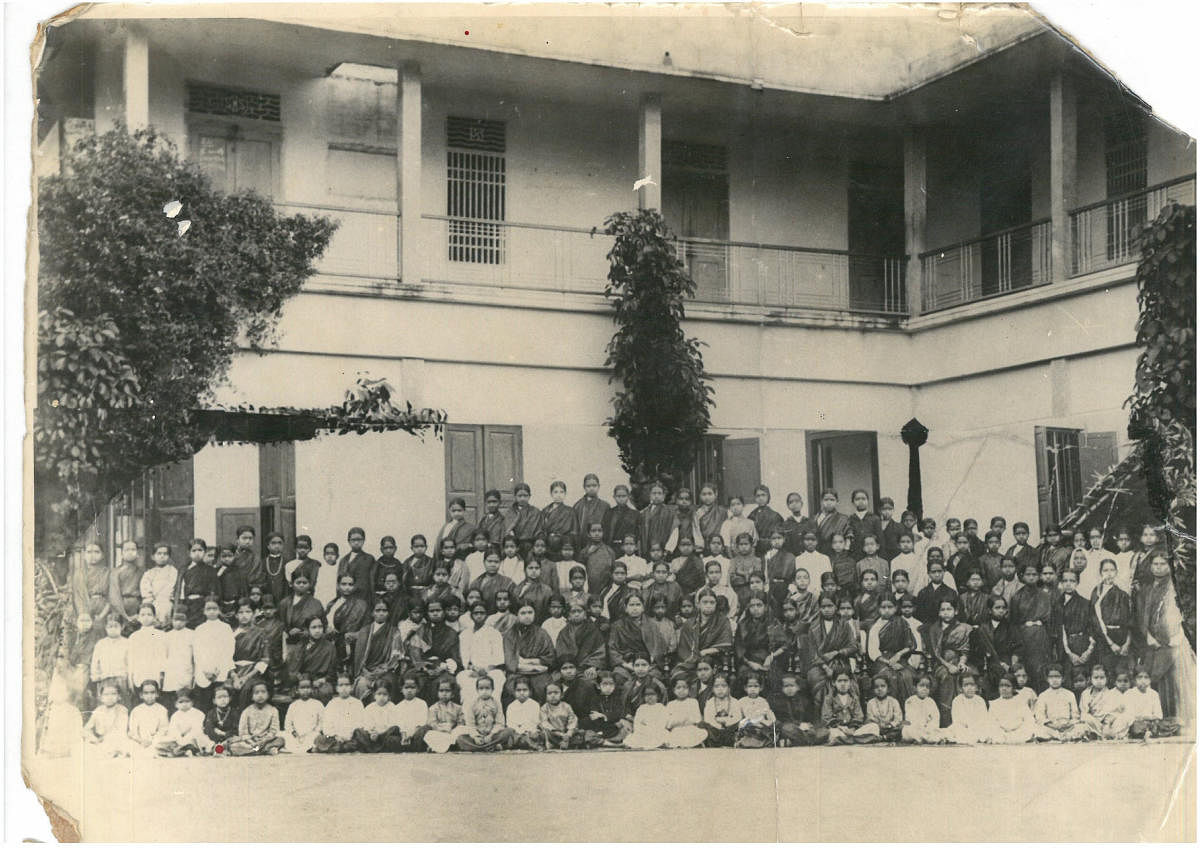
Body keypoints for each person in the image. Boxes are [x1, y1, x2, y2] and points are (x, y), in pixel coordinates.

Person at [1136, 552, 1195, 724]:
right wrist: (1147, 636)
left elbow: (1188, 613)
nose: (1159, 567)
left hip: (1174, 641)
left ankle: (1180, 719)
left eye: (1163, 564)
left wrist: (1179, 635)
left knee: (1176, 679)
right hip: (1153, 642)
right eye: (1155, 564)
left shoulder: (1176, 586)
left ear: (1170, 566)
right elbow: (1141, 614)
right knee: (1157, 678)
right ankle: (1161, 719)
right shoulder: (1147, 588)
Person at [1008, 563, 1058, 691]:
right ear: (1022, 576)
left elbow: (1051, 621)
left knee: (1041, 668)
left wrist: (1051, 642)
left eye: (1034, 575)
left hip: (1041, 636)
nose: (1031, 577)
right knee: (1027, 667)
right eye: (1028, 575)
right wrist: (1018, 643)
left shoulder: (1045, 596)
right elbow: (1013, 622)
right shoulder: (1017, 597)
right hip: (1024, 637)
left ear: (1039, 576)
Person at [673, 589, 734, 684]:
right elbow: (684, 649)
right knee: (677, 675)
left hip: (714, 661)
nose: (708, 605)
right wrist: (697, 658)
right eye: (705, 602)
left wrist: (706, 652)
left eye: (712, 602)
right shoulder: (689, 624)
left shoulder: (723, 621)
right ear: (698, 604)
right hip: (692, 661)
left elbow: (726, 645)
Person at [608, 594, 669, 685]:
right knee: (619, 676)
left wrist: (648, 662)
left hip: (647, 664)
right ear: (626, 608)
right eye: (631, 605)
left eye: (638, 605)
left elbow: (659, 646)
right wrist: (624, 664)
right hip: (626, 664)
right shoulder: (617, 626)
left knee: (654, 677)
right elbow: (612, 648)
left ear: (643, 607)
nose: (635, 608)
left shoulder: (652, 625)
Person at [457, 601, 507, 711]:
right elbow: (464, 658)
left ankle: (493, 716)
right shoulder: (464, 634)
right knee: (465, 681)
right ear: (471, 615)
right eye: (476, 613)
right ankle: (469, 718)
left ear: (486, 615)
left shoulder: (494, 633)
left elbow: (499, 658)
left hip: (491, 670)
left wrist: (486, 670)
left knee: (497, 679)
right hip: (472, 671)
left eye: (482, 613)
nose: (479, 616)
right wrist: (472, 669)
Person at [504, 602, 556, 700]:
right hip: (518, 674)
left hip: (540, 675)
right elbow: (511, 663)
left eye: (530, 612)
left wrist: (527, 661)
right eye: (523, 613)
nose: (527, 616)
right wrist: (534, 668)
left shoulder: (542, 633)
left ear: (534, 614)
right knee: (513, 690)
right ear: (517, 615)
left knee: (544, 688)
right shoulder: (510, 635)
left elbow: (550, 658)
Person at [350, 600, 399, 701]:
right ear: (372, 613)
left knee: (388, 683)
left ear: (388, 613)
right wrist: (364, 671)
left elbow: (395, 656)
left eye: (384, 610)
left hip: (386, 671)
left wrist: (382, 670)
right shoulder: (364, 631)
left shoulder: (394, 631)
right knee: (362, 684)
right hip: (366, 672)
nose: (381, 613)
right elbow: (359, 657)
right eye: (378, 610)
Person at [284, 617, 336, 702]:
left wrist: (323, 680)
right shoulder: (301, 646)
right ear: (307, 629)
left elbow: (332, 671)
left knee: (325, 691)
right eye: (314, 627)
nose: (317, 630)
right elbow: (293, 669)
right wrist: (303, 679)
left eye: (320, 627)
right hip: (304, 680)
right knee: (302, 689)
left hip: (321, 681)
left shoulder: (330, 647)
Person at [352, 679, 410, 753]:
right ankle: (375, 748)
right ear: (374, 695)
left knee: (395, 730)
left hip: (385, 735)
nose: (381, 697)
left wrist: (381, 734)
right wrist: (372, 733)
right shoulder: (370, 708)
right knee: (358, 731)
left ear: (389, 696)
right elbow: (367, 724)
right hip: (372, 736)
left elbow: (397, 724)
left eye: (385, 694)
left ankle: (374, 749)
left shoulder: (392, 707)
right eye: (379, 694)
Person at [313, 674, 366, 753]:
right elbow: (327, 723)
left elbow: (360, 722)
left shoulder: (357, 703)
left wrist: (348, 736)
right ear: (337, 688)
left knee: (361, 736)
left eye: (346, 685)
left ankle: (341, 747)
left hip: (351, 737)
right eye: (341, 685)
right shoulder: (332, 703)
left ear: (351, 687)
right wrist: (336, 736)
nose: (344, 688)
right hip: (336, 738)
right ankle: (340, 747)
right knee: (319, 739)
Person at [1058, 569, 1095, 682]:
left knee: (1083, 679)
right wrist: (1069, 653)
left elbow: (1092, 628)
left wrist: (1088, 651)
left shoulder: (1086, 603)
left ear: (1077, 583)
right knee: (1068, 680)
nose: (1068, 584)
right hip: (1065, 648)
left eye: (1072, 581)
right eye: (1065, 581)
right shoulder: (1056, 604)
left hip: (1083, 646)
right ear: (1061, 583)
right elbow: (1060, 629)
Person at [1033, 665, 1088, 741]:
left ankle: (1064, 737)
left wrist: (1068, 724)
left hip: (1067, 727)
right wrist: (1054, 726)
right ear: (1047, 679)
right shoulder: (1043, 696)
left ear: (1063, 678)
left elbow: (1075, 715)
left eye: (1057, 677)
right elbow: (1040, 717)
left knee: (1081, 727)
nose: (1054, 680)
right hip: (1051, 728)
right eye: (1051, 677)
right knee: (1038, 729)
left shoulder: (1069, 694)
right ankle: (1058, 737)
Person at [172, 538, 217, 629]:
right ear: (189, 552)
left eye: (200, 550)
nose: (197, 553)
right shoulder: (183, 569)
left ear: (204, 552)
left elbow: (214, 590)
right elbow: (179, 589)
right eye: (194, 550)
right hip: (187, 605)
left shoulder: (210, 570)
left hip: (202, 606)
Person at [768, 672, 823, 746]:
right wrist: (797, 725)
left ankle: (795, 742)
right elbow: (777, 721)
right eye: (786, 686)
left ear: (798, 687)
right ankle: (807, 741)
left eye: (792, 686)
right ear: (781, 688)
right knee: (788, 729)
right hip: (787, 728)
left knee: (823, 732)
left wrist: (807, 725)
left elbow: (809, 718)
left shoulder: (804, 701)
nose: (789, 689)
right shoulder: (777, 702)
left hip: (803, 729)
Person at [1124, 668, 1180, 739]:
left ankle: (1150, 732)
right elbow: (1130, 716)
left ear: (1150, 680)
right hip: (1138, 724)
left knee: (1176, 722)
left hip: (1153, 722)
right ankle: (1152, 733)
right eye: (1140, 677)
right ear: (1135, 680)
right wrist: (1144, 719)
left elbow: (1159, 715)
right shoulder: (1129, 693)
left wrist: (1149, 719)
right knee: (1136, 727)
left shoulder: (1154, 694)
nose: (1143, 680)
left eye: (1146, 677)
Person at [822, 670, 873, 744]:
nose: (843, 684)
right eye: (839, 681)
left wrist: (852, 729)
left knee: (873, 727)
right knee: (833, 733)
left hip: (852, 730)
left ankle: (845, 739)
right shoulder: (829, 698)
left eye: (845, 681)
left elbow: (859, 716)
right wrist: (841, 728)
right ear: (834, 683)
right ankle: (855, 739)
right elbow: (826, 717)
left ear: (850, 683)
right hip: (837, 728)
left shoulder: (854, 698)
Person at [90, 614, 130, 705]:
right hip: (104, 678)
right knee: (105, 704)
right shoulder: (101, 644)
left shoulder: (127, 643)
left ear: (122, 627)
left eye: (116, 626)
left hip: (121, 679)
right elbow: (95, 662)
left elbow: (130, 662)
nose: (113, 629)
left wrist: (128, 679)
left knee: (122, 704)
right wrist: (96, 676)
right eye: (110, 626)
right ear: (105, 627)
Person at [1079, 664, 1127, 740]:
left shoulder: (1112, 693)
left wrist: (1107, 724)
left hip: (1108, 724)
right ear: (1090, 679)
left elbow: (1115, 713)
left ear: (1107, 679)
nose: (1099, 681)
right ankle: (1100, 734)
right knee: (1084, 717)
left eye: (1102, 678)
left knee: (1123, 718)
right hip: (1094, 723)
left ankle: (1104, 734)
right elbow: (1084, 712)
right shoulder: (1086, 693)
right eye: (1096, 678)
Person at [127, 604, 166, 695]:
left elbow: (162, 656)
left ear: (154, 617)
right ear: (138, 617)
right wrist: (130, 678)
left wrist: (161, 674)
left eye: (149, 614)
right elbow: (131, 658)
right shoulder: (134, 636)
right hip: (139, 674)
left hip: (154, 673)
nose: (146, 618)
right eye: (143, 615)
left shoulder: (160, 635)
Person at [988, 674, 1039, 743]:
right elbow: (991, 723)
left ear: (1013, 688)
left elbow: (1029, 721)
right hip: (1001, 735)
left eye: (1007, 686)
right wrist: (1002, 733)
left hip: (1019, 734)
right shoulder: (994, 704)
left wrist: (1020, 732)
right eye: (1001, 686)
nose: (1004, 688)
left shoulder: (1021, 703)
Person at [82, 682, 129, 757]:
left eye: (113, 694)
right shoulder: (98, 710)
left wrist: (105, 739)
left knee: (122, 746)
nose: (110, 697)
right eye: (106, 694)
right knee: (86, 747)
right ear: (101, 698)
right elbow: (86, 729)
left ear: (119, 696)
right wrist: (94, 739)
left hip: (116, 740)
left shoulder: (122, 710)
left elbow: (121, 730)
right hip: (99, 741)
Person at [424, 677, 470, 753]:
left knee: (462, 729)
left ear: (452, 694)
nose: (444, 693)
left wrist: (452, 728)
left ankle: (441, 746)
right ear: (437, 693)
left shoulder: (458, 708)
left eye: (447, 691)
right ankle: (447, 745)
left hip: (453, 732)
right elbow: (432, 723)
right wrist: (441, 729)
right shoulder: (433, 708)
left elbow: (461, 722)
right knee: (429, 734)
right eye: (441, 691)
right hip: (439, 732)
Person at [162, 609, 195, 712]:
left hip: (186, 669)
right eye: (176, 620)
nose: (178, 622)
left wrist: (194, 672)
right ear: (172, 621)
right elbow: (164, 655)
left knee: (185, 696)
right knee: (172, 697)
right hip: (171, 671)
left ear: (186, 621)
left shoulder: (192, 634)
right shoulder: (167, 636)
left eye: (181, 620)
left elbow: (194, 655)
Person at [109, 540, 145, 635]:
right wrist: (125, 616)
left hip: (138, 607)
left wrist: (140, 613)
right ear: (121, 553)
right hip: (121, 607)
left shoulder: (142, 571)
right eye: (127, 549)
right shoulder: (115, 572)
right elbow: (114, 596)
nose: (130, 552)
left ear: (137, 553)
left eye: (133, 549)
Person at [948, 673, 994, 744]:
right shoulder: (957, 700)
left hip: (978, 729)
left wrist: (975, 727)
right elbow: (956, 720)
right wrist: (967, 727)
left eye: (972, 685)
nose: (969, 688)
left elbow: (983, 719)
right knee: (954, 729)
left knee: (988, 729)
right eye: (966, 685)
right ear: (961, 688)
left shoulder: (980, 700)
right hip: (963, 729)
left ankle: (975, 738)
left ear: (976, 687)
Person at [127, 679, 170, 755]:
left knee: (164, 742)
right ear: (141, 695)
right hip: (139, 741)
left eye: (152, 693)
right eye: (146, 693)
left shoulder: (162, 710)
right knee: (130, 744)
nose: (149, 696)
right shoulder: (136, 710)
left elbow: (163, 729)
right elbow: (133, 730)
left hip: (156, 740)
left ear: (157, 694)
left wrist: (152, 740)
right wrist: (141, 741)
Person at [283, 676, 323, 753]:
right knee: (284, 735)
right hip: (296, 735)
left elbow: (321, 722)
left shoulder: (317, 704)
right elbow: (287, 723)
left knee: (317, 737)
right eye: (302, 688)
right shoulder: (293, 705)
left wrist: (314, 732)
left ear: (312, 689)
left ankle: (310, 747)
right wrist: (293, 732)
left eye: (308, 687)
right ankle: (298, 747)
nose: (305, 690)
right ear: (297, 690)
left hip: (311, 734)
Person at [700, 673, 742, 747]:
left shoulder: (735, 701)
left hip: (729, 728)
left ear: (729, 688)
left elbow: (738, 716)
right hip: (715, 728)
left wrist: (727, 722)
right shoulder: (710, 702)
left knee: (740, 724)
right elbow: (708, 718)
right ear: (712, 689)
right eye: (716, 686)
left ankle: (732, 742)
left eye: (724, 686)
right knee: (704, 724)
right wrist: (718, 725)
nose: (720, 689)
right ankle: (714, 743)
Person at [735, 674, 776, 748]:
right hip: (748, 725)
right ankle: (747, 741)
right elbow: (739, 717)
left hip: (760, 725)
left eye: (756, 686)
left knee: (763, 729)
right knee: (747, 727)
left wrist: (768, 721)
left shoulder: (763, 701)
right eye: (750, 686)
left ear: (761, 688)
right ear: (745, 688)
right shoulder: (741, 701)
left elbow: (769, 715)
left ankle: (760, 741)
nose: (753, 689)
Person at [504, 483, 543, 560]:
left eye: (525, 496)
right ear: (515, 496)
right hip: (514, 545)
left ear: (529, 496)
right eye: (519, 496)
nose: (522, 498)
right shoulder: (510, 512)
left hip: (530, 545)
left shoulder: (535, 512)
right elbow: (507, 530)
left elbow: (539, 531)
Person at [573, 473, 611, 552]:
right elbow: (575, 528)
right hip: (581, 545)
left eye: (594, 486)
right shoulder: (578, 506)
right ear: (584, 487)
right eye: (588, 486)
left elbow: (607, 529)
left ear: (598, 486)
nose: (591, 488)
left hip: (599, 545)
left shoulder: (605, 506)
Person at [901, 675, 945, 743]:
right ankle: (927, 739)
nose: (925, 688)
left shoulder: (931, 702)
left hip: (928, 729)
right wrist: (920, 727)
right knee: (906, 730)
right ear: (915, 688)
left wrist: (929, 727)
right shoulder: (910, 701)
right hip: (915, 728)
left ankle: (923, 739)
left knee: (940, 731)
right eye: (921, 686)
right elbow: (910, 719)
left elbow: (936, 718)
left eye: (927, 686)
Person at [541, 481, 578, 560]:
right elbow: (542, 529)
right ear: (551, 494)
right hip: (548, 546)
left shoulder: (570, 511)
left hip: (563, 546)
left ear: (565, 493)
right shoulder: (545, 511)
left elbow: (574, 532)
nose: (559, 495)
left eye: (562, 492)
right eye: (556, 492)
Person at [539, 681, 581, 749]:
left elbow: (572, 719)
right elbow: (544, 722)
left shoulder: (566, 706)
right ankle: (559, 743)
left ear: (562, 695)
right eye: (549, 693)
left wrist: (568, 733)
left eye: (556, 693)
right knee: (543, 734)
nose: (553, 695)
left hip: (566, 733)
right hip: (553, 734)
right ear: (546, 696)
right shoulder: (544, 708)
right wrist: (559, 734)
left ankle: (566, 742)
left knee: (581, 733)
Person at [865, 675, 904, 742]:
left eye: (883, 686)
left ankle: (883, 737)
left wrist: (890, 725)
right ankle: (882, 737)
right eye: (876, 687)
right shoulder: (870, 703)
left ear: (888, 688)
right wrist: (879, 726)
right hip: (877, 728)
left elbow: (898, 718)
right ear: (873, 689)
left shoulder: (893, 701)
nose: (879, 689)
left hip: (891, 728)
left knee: (903, 727)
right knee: (870, 727)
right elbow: (870, 718)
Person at [814, 489, 852, 558]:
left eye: (832, 500)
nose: (829, 502)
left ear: (837, 502)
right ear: (821, 501)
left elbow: (848, 537)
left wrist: (845, 552)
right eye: (826, 500)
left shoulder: (843, 518)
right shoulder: (815, 518)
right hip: (817, 553)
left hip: (835, 553)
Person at [604, 484, 641, 552]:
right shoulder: (609, 513)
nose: (621, 499)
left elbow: (638, 535)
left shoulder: (635, 514)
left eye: (624, 496)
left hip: (628, 549)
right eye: (618, 496)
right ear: (614, 497)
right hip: (611, 549)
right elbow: (605, 533)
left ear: (628, 496)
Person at [202, 685, 238, 753]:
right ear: (214, 701)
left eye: (225, 696)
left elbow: (236, 728)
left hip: (229, 738)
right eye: (219, 697)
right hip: (214, 739)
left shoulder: (234, 712)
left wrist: (224, 734)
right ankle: (217, 748)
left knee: (236, 741)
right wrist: (217, 738)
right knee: (203, 738)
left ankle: (221, 749)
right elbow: (208, 728)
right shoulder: (211, 713)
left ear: (230, 698)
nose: (223, 699)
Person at [232, 526, 264, 595]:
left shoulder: (256, 559)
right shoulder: (230, 556)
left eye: (250, 538)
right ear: (237, 540)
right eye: (244, 538)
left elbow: (257, 578)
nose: (247, 541)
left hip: (249, 593)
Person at [401, 535, 434, 603]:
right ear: (411, 548)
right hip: (411, 593)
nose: (419, 549)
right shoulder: (407, 562)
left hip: (427, 593)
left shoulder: (431, 562)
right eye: (416, 547)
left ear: (426, 547)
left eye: (422, 546)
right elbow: (404, 580)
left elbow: (434, 579)